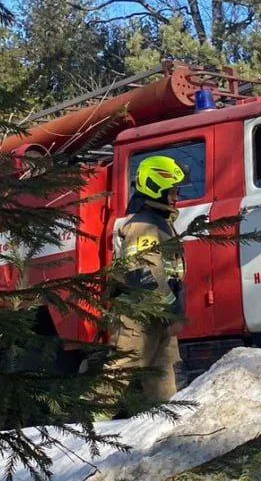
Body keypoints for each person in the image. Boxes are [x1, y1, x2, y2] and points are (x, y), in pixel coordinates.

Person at [112, 155, 188, 405]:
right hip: (140, 316)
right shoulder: (143, 226)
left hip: (157, 314)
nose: (177, 197)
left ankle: (167, 422)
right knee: (118, 374)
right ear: (157, 189)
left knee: (164, 379)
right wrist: (171, 307)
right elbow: (144, 274)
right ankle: (87, 421)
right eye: (173, 191)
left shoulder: (160, 222)